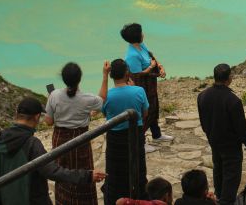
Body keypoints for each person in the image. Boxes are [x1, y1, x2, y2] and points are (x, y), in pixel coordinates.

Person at [0, 97, 105, 205]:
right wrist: (87, 175)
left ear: (17, 114)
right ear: (37, 117)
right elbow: (52, 172)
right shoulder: (32, 143)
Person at [44, 61, 108, 205]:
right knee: (83, 172)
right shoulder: (87, 99)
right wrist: (105, 76)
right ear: (80, 78)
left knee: (62, 172)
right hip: (81, 140)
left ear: (63, 78)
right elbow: (103, 101)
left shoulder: (54, 95)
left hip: (60, 139)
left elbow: (48, 121)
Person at [197, 63, 246, 205]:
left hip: (214, 141)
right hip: (231, 145)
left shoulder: (202, 95)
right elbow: (240, 126)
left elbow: (203, 121)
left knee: (218, 170)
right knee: (231, 176)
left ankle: (218, 197)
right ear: (229, 78)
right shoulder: (233, 100)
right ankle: (226, 201)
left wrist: (209, 133)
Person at [102, 59, 149, 205]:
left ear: (111, 75)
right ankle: (138, 198)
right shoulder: (139, 91)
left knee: (114, 172)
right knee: (138, 168)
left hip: (115, 139)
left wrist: (104, 76)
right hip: (135, 135)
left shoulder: (108, 95)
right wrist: (133, 88)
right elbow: (145, 113)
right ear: (127, 73)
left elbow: (104, 112)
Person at [121, 23, 172, 152]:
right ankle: (140, 142)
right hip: (142, 87)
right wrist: (151, 67)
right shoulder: (132, 55)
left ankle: (157, 134)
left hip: (150, 85)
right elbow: (137, 74)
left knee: (154, 108)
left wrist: (159, 66)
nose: (143, 34)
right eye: (141, 32)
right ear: (137, 36)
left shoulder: (141, 46)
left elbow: (151, 57)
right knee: (144, 112)